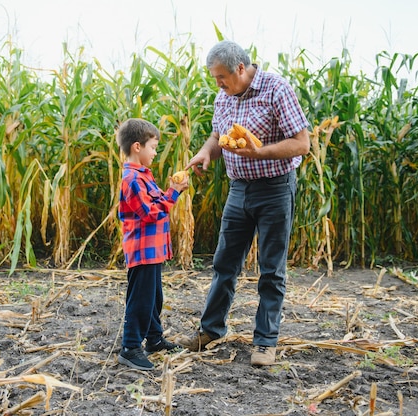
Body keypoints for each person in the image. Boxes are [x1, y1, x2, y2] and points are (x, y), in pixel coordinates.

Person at [179, 40, 310, 366]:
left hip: (275, 189)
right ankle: (211, 330)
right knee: (225, 263)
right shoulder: (223, 97)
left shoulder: (276, 89)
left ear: (241, 68)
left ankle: (265, 342)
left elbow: (302, 143)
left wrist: (258, 152)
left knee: (271, 268)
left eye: (222, 77)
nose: (218, 84)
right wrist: (206, 152)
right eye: (215, 78)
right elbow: (216, 135)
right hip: (239, 190)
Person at [116, 118, 189, 371]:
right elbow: (151, 212)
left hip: (152, 250)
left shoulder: (143, 176)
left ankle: (154, 339)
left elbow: (156, 202)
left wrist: (172, 189)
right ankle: (130, 347)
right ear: (137, 146)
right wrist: (174, 193)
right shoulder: (132, 180)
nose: (155, 152)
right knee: (141, 300)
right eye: (153, 147)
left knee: (154, 297)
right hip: (142, 250)